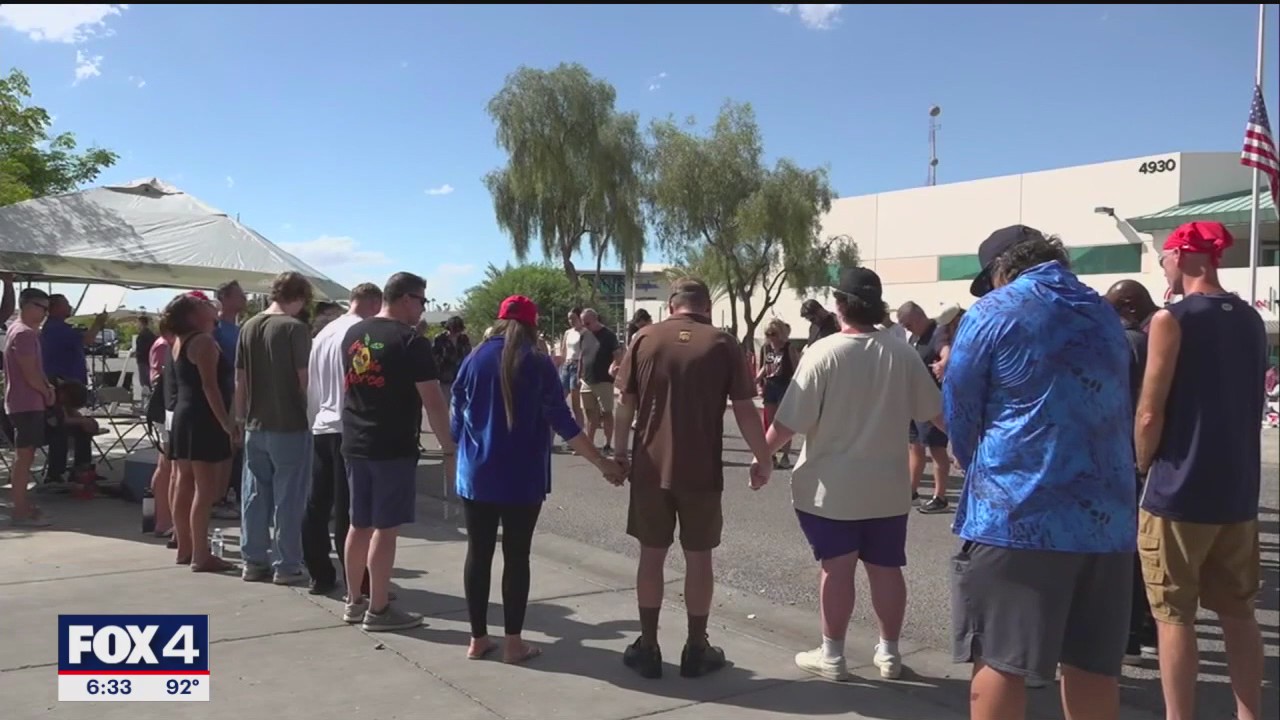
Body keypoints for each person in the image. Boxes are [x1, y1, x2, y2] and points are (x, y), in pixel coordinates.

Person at [943, 225, 1136, 720]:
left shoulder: (994, 311)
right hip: (1107, 525)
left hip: (1018, 515)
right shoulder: (1104, 313)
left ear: (1000, 271)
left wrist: (978, 468)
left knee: (1001, 660)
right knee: (1093, 667)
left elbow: (962, 415)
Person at [763, 267, 943, 682]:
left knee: (836, 570)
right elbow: (937, 414)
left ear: (839, 304)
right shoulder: (901, 352)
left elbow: (790, 421)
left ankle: (833, 655)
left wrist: (762, 458)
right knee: (887, 569)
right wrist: (979, 447)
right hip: (888, 489)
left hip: (833, 489)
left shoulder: (822, 353)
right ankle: (890, 653)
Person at [1135, 221, 1266, 720]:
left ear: (1185, 257)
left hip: (1178, 489)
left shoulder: (1172, 319)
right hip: (1237, 491)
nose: (1163, 264)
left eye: (1166, 255)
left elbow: (1150, 411)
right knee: (1239, 613)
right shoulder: (1251, 320)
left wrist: (1141, 462)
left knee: (1174, 615)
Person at [611, 278, 772, 680]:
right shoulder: (723, 344)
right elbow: (745, 408)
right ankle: (696, 648)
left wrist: (618, 452)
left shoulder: (644, 338)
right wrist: (762, 457)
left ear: (671, 305)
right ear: (706, 306)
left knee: (652, 555)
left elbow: (623, 402)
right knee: (699, 559)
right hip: (701, 470)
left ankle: (647, 646)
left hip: (650, 468)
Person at [452, 295, 624, 663]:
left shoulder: (474, 357)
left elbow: (456, 415)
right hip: (521, 478)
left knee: (478, 554)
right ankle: (513, 644)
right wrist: (602, 463)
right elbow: (564, 422)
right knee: (517, 557)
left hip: (476, 476)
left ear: (498, 321)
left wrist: (462, 441)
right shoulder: (537, 362)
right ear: (532, 325)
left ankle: (477, 638)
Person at [341, 272, 454, 631]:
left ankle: (353, 600)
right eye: (422, 301)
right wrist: (448, 446)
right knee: (385, 529)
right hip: (392, 445)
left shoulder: (354, 333)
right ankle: (378, 609)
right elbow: (433, 401)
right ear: (406, 298)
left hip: (356, 440)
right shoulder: (411, 341)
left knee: (358, 524)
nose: (423, 308)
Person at [302, 283, 384, 596]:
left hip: (322, 422)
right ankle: (357, 581)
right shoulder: (362, 333)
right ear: (375, 303)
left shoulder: (323, 334)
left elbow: (313, 385)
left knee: (318, 503)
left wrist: (313, 420)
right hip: (349, 424)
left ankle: (319, 573)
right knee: (351, 509)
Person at [234, 272, 314, 585]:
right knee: (289, 498)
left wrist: (239, 420)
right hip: (290, 423)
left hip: (255, 423)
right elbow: (303, 378)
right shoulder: (295, 329)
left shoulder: (249, 326)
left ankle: (253, 561)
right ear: (299, 297)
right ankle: (287, 563)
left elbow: (239, 380)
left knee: (255, 495)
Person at [1103, 278, 1160, 665]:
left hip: (1122, 455)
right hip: (1143, 454)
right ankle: (1145, 630)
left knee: (1127, 550)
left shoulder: (1124, 343)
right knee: (1141, 549)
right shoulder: (1152, 338)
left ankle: (1128, 635)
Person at [167, 292, 236, 573]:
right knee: (205, 488)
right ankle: (200, 554)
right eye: (202, 305)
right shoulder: (204, 342)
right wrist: (226, 423)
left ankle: (185, 547)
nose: (209, 306)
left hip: (184, 414)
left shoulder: (179, 342)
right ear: (193, 315)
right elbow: (211, 386)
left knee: (184, 482)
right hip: (202, 417)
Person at [3, 288, 54, 527]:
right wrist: (46, 392)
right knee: (24, 457)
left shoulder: (19, 329)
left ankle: (21, 505)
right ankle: (20, 509)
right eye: (40, 306)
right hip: (26, 403)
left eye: (46, 308)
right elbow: (30, 372)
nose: (44, 312)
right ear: (26, 305)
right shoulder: (24, 333)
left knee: (24, 456)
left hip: (22, 401)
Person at [896, 301, 951, 513]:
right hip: (914, 403)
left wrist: (943, 363)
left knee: (937, 449)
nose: (907, 330)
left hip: (933, 402)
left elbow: (946, 351)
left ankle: (940, 496)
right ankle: (911, 492)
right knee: (915, 446)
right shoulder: (916, 337)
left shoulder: (938, 333)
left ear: (918, 317)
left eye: (908, 325)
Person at [213, 280, 246, 519]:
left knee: (235, 448)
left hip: (239, 396)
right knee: (224, 448)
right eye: (239, 295)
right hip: (223, 395)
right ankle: (218, 497)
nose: (244, 299)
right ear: (224, 297)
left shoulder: (239, 329)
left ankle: (229, 493)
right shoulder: (215, 328)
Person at [144, 317, 176, 539]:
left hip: (166, 408)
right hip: (165, 408)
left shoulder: (165, 343)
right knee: (167, 465)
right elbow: (161, 379)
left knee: (165, 464)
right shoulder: (165, 345)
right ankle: (163, 520)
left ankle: (162, 519)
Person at [755, 318, 799, 469]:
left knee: (783, 422)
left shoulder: (788, 348)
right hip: (770, 386)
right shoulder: (766, 348)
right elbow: (763, 367)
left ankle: (784, 456)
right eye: (768, 333)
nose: (771, 337)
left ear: (780, 333)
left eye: (773, 333)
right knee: (769, 421)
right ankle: (771, 454)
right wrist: (757, 382)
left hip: (785, 385)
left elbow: (796, 369)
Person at [578, 309, 622, 453]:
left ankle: (608, 444)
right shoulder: (584, 335)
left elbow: (617, 355)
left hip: (604, 380)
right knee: (590, 413)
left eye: (588, 323)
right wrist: (579, 374)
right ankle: (589, 444)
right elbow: (582, 355)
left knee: (607, 412)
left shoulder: (608, 335)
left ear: (595, 319)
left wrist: (614, 367)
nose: (585, 326)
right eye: (583, 323)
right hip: (587, 380)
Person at [557, 308, 586, 450]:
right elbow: (563, 351)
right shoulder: (568, 333)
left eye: (573, 318)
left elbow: (585, 353)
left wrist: (581, 372)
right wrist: (559, 367)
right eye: (569, 318)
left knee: (576, 404)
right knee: (560, 398)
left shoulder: (584, 333)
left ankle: (579, 435)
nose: (571, 321)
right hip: (566, 366)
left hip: (577, 366)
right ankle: (565, 434)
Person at [134, 315, 157, 389]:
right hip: (149, 360)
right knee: (148, 381)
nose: (136, 325)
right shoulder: (151, 334)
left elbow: (142, 349)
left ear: (141, 323)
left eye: (137, 323)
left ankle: (147, 398)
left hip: (143, 361)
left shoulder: (143, 335)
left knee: (145, 382)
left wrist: (136, 353)